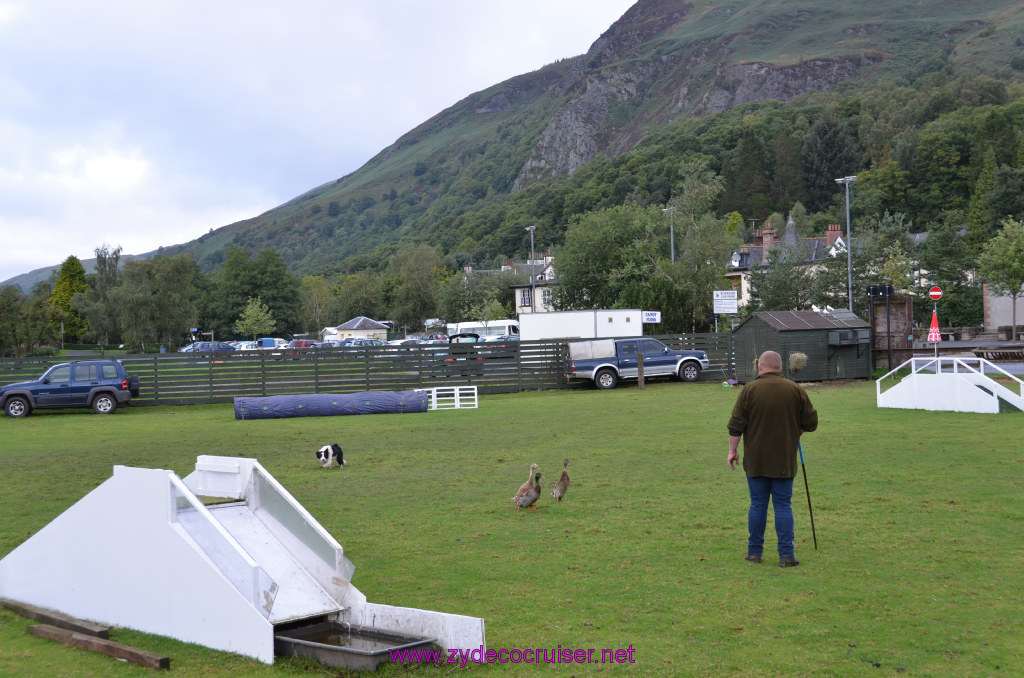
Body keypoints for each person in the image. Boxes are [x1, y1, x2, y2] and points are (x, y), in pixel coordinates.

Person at [727, 350, 818, 567]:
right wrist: (796, 432)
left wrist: (733, 451)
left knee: (757, 505)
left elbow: (735, 425)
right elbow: (811, 423)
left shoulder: (749, 390)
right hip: (784, 460)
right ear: (780, 367)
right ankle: (786, 555)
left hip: (756, 460)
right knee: (783, 505)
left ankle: (754, 552)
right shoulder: (795, 390)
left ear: (760, 367)